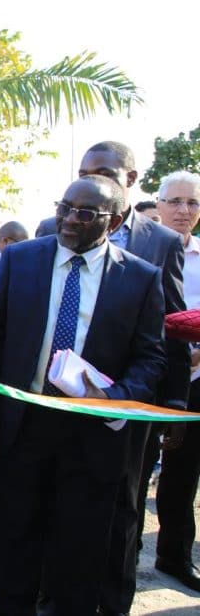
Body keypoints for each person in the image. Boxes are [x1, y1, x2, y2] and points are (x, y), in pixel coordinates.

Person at [0, 175, 166, 615]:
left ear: (113, 222)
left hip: (91, 430)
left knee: (79, 549)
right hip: (22, 425)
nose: (68, 220)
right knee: (14, 538)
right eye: (64, 207)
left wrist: (116, 396)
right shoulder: (20, 260)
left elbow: (150, 358)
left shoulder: (139, 277)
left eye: (84, 213)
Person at [37, 141, 189, 614]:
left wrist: (175, 407)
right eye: (83, 173)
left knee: (122, 512)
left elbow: (172, 331)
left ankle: (112, 600)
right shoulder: (49, 232)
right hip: (54, 408)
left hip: (125, 410)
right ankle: (53, 592)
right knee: (55, 506)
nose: (93, 182)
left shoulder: (159, 242)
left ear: (131, 179)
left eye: (103, 173)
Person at [154, 170, 200, 592]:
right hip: (150, 378)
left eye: (193, 203)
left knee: (184, 474)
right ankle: (119, 560)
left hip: (197, 381)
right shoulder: (141, 249)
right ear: (159, 203)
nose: (184, 211)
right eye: (176, 202)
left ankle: (174, 555)